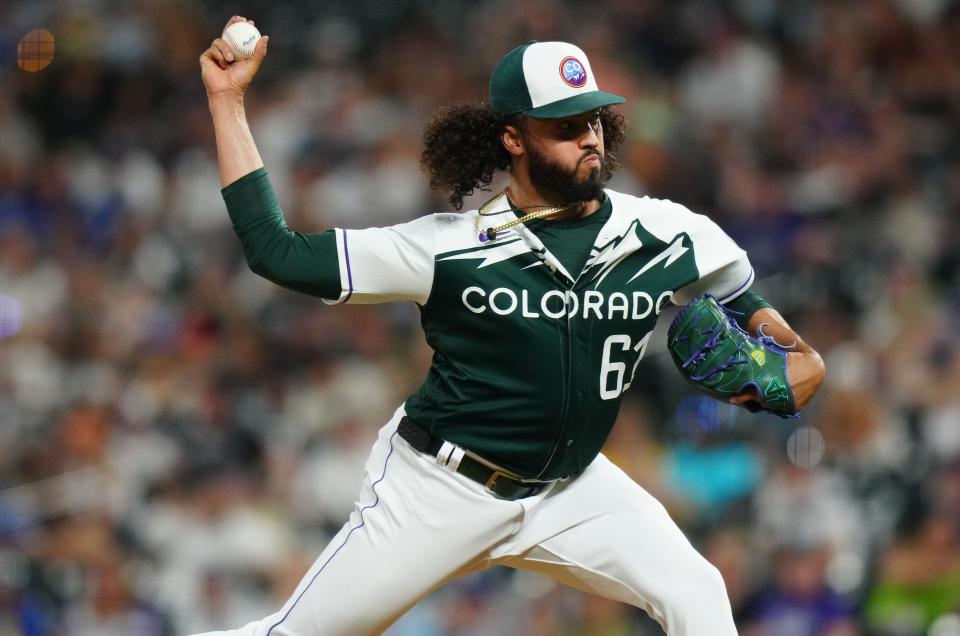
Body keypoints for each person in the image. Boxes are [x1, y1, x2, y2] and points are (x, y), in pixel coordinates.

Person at [197, 16, 825, 636]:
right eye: (565, 126)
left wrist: (782, 377)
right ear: (514, 138)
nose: (590, 139)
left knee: (697, 592)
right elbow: (274, 252)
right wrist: (228, 101)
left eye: (595, 120)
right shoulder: (447, 251)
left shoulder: (670, 235)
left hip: (572, 490)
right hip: (441, 489)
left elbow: (792, 356)